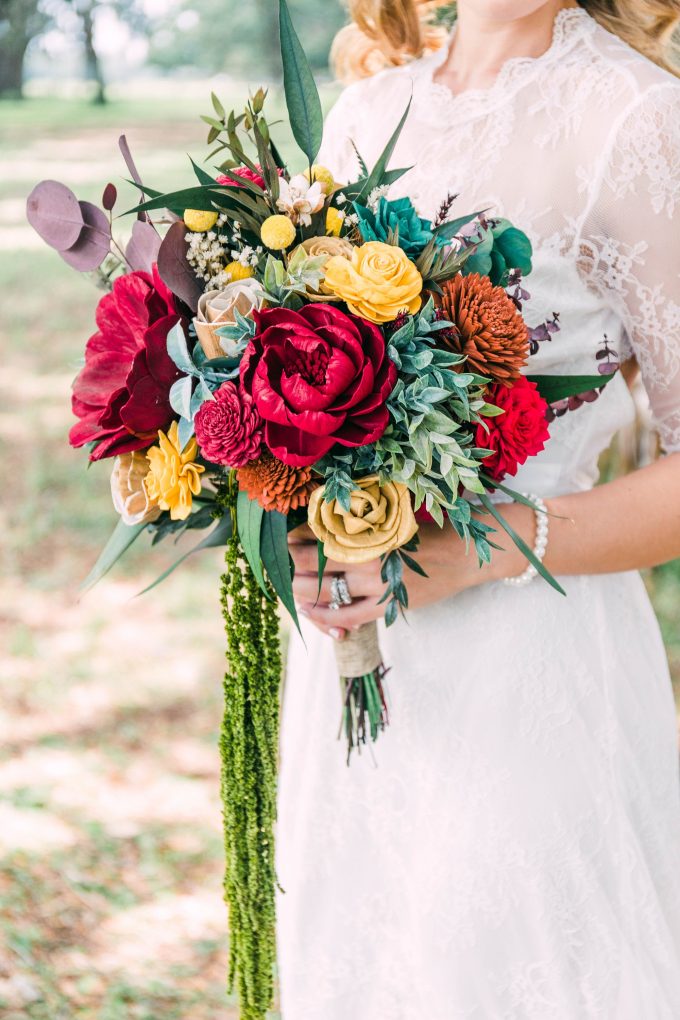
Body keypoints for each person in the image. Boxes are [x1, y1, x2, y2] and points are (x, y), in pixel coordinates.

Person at [277, 2, 680, 1016]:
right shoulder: (364, 114)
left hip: (531, 671)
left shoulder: (632, 122)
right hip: (354, 666)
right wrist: (295, 519)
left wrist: (486, 546)